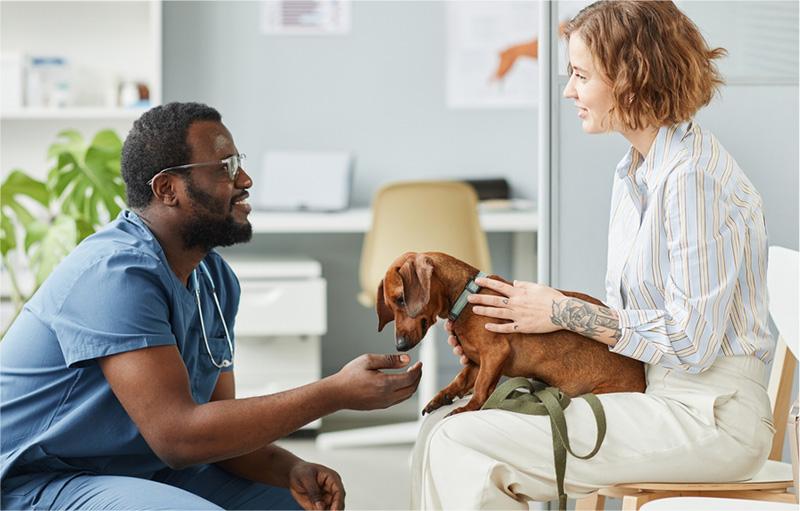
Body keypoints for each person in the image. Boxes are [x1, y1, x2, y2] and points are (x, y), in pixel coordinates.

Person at [412, 1, 775, 508]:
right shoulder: (635, 174)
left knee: (462, 441)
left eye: (581, 75)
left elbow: (692, 341)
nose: (569, 91)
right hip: (655, 396)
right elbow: (640, 326)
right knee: (440, 428)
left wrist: (559, 311)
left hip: (710, 417)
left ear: (631, 77)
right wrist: (511, 342)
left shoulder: (694, 179)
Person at [0, 101, 422, 511]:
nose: (247, 180)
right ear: (168, 188)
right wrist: (334, 393)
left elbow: (214, 426)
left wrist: (289, 466)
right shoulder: (113, 275)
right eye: (227, 168)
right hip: (37, 480)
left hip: (141, 468)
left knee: (294, 502)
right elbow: (179, 437)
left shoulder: (214, 279)